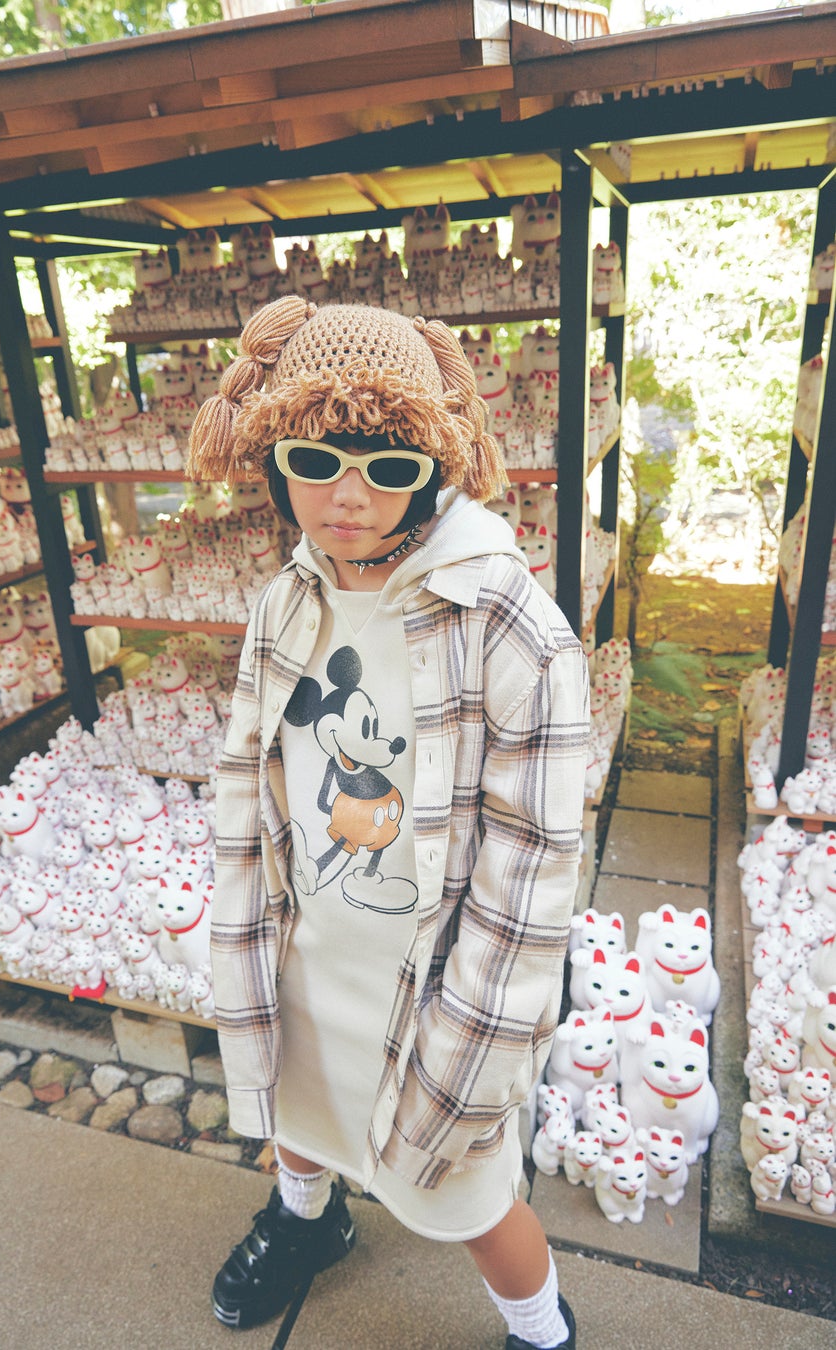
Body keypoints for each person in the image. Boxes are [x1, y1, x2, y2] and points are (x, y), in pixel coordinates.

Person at [187, 296, 589, 1349]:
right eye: (314, 460)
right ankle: (306, 1219)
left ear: (435, 467)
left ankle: (541, 1325)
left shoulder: (508, 625)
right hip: (314, 945)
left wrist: (483, 1027)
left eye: (390, 466)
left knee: (469, 1195)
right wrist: (241, 929)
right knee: (302, 1108)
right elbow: (250, 779)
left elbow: (534, 862)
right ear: (275, 457)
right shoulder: (287, 599)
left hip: (438, 974)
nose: (348, 496)